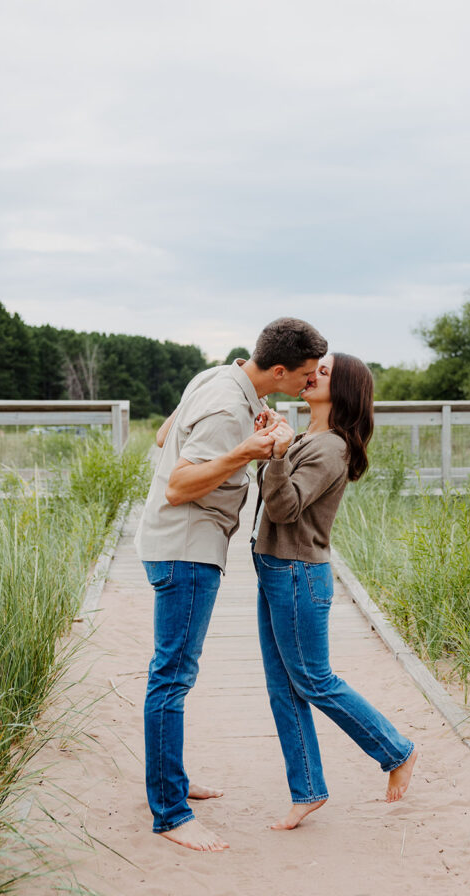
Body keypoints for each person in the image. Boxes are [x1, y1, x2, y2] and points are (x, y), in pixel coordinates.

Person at [135, 317, 328, 853]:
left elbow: (164, 436)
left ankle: (169, 780)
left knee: (171, 674)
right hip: (186, 549)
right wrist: (247, 451)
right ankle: (171, 814)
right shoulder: (226, 406)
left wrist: (244, 437)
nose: (309, 383)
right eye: (306, 374)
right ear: (280, 370)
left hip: (170, 544)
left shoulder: (218, 378)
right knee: (172, 678)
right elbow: (178, 486)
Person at [252, 352, 417, 831]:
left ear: (341, 390)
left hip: (298, 574)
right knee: (283, 687)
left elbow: (283, 509)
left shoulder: (331, 448)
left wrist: (279, 455)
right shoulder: (309, 437)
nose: (310, 376)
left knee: (313, 680)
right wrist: (274, 443)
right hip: (275, 568)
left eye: (321, 373)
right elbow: (273, 492)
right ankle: (307, 790)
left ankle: (396, 751)